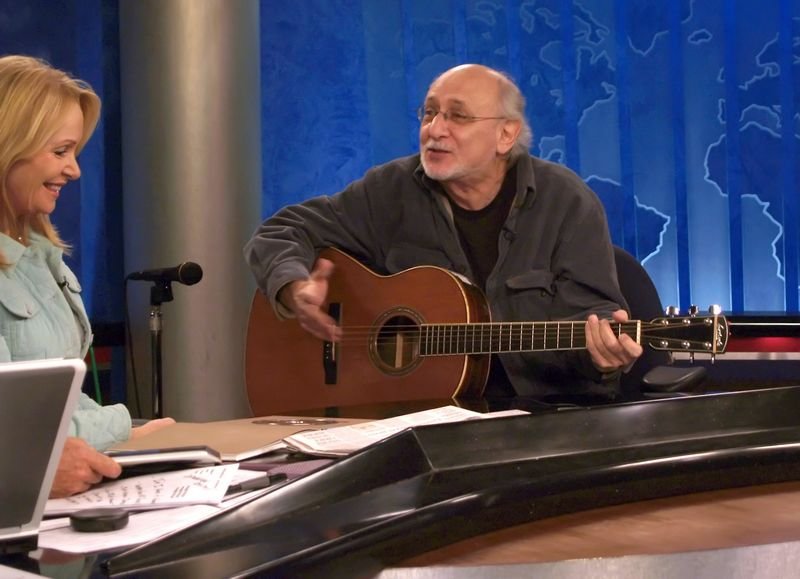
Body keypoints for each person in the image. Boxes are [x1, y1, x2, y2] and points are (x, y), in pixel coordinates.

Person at [244, 63, 642, 403]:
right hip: (416, 423)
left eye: (458, 116)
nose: (435, 130)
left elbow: (595, 321)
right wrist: (294, 286)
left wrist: (603, 355)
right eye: (430, 113)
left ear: (506, 135)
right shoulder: (390, 190)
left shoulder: (566, 202)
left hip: (540, 420)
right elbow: (281, 230)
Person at [0, 55, 173, 497]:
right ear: (8, 145)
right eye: (60, 152)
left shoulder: (41, 255)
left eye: (74, 153)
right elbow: (16, 430)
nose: (74, 169)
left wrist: (130, 434)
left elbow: (62, 404)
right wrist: (121, 426)